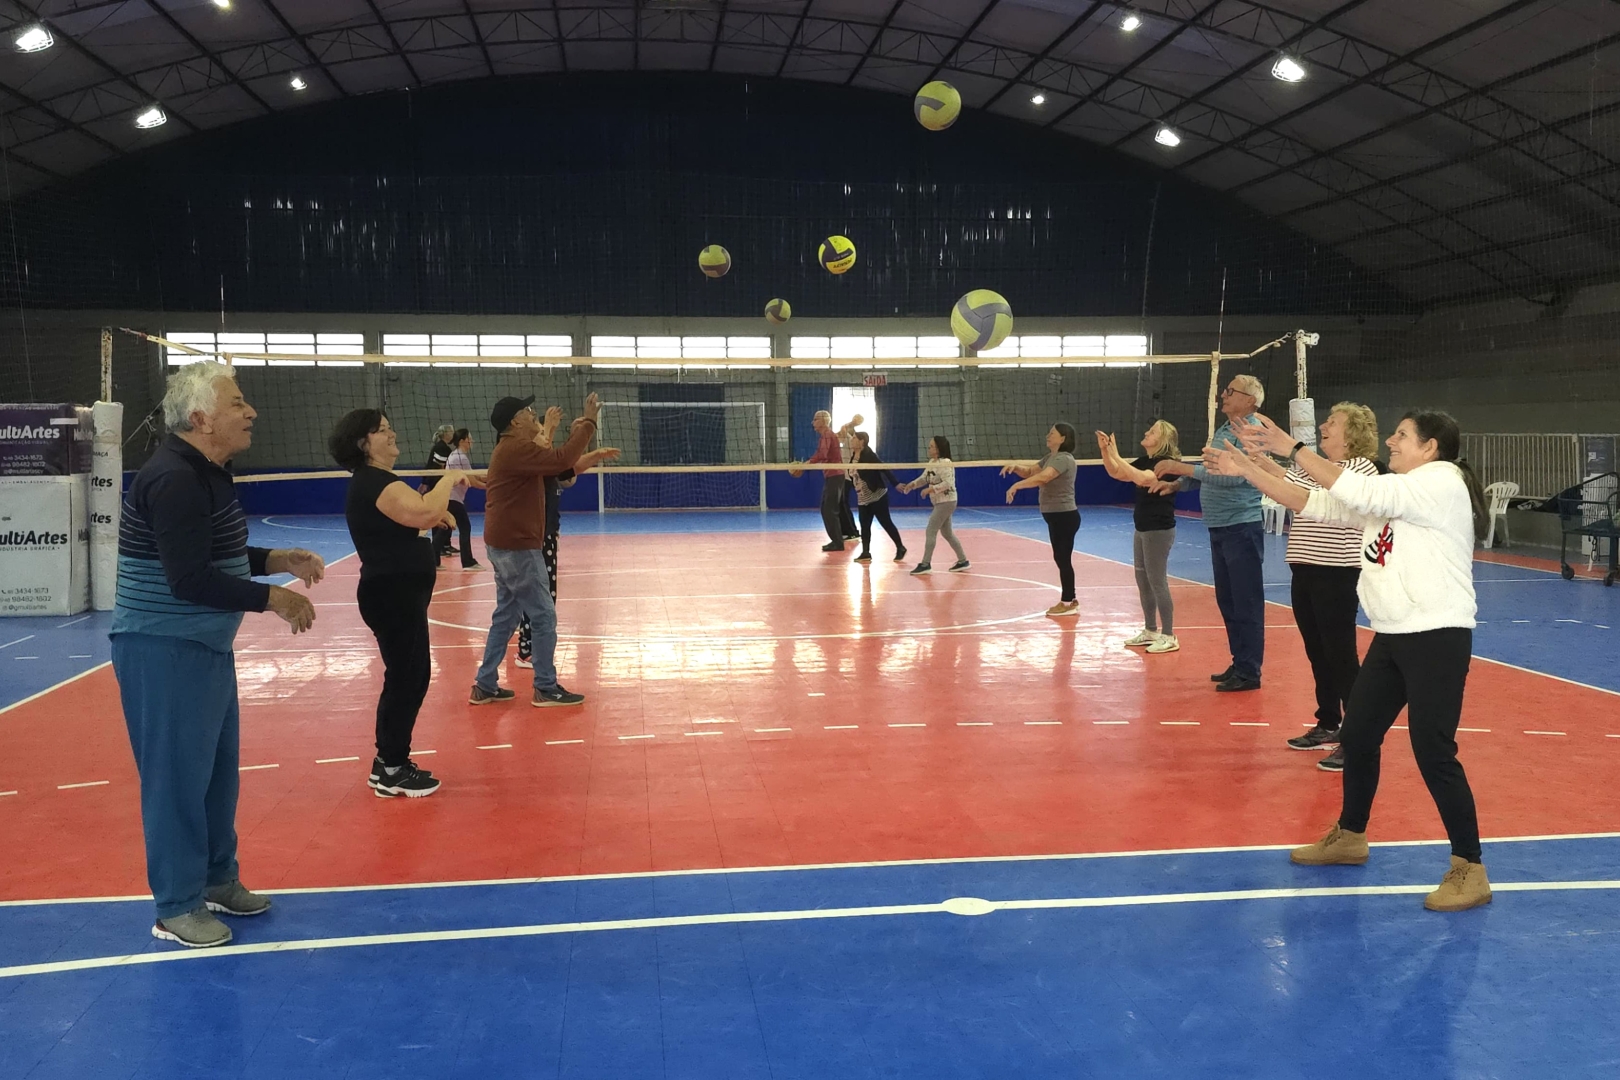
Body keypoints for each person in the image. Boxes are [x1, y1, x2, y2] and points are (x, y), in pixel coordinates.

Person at [1204, 409, 1493, 912]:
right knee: (1357, 736)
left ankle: (1470, 867)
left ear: (1430, 448)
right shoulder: (1399, 493)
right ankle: (1351, 836)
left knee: (1433, 751)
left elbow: (1357, 490)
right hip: (1394, 635)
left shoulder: (1439, 482)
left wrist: (1292, 448)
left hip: (1436, 637)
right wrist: (1250, 470)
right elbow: (1315, 503)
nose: (1391, 441)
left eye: (1402, 435)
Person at [111, 360, 322, 948]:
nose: (250, 411)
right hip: (165, 648)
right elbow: (189, 579)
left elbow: (211, 552)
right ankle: (176, 905)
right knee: (177, 782)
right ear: (201, 418)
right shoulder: (175, 478)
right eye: (237, 403)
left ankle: (216, 879)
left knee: (216, 777)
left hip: (202, 646)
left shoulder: (203, 472)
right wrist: (272, 597)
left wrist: (275, 560)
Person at [330, 408, 464, 798]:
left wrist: (432, 516)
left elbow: (412, 518)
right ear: (363, 442)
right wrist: (448, 478)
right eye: (382, 430)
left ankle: (388, 763)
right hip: (391, 594)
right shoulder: (373, 481)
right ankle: (392, 767)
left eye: (390, 427)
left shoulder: (380, 481)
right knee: (407, 677)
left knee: (410, 675)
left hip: (399, 592)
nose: (392, 434)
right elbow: (424, 510)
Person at [1255, 403, 1382, 771]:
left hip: (1337, 573)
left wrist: (1280, 455)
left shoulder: (1361, 470)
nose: (1323, 425)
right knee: (1317, 652)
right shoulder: (1315, 468)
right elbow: (1286, 484)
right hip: (1305, 570)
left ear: (1352, 434)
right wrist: (1251, 460)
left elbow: (1323, 497)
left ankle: (1356, 738)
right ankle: (1328, 721)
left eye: (1333, 422)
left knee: (1341, 656)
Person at [471, 394, 615, 707]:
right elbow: (561, 459)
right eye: (526, 410)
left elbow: (562, 466)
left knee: (506, 616)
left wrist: (576, 436)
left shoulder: (516, 449)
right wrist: (589, 424)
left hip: (504, 542)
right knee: (543, 615)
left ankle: (485, 684)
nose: (532, 412)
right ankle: (546, 687)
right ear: (514, 422)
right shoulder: (515, 448)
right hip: (516, 546)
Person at [1155, 374, 1267, 692]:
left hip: (1241, 526)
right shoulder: (1225, 429)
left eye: (1231, 391)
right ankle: (1240, 662)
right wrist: (1179, 484)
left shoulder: (1253, 432)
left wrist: (1181, 468)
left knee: (1245, 602)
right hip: (1220, 526)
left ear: (1250, 400)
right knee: (1228, 600)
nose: (1223, 395)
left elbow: (1233, 476)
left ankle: (1249, 671)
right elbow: (1209, 469)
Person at [515, 408, 618, 670]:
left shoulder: (544, 461)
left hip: (546, 533)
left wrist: (596, 454)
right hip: (533, 535)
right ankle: (527, 650)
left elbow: (568, 468)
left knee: (544, 595)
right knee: (536, 595)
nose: (544, 435)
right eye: (539, 430)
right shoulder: (528, 458)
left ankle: (532, 648)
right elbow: (554, 459)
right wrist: (553, 427)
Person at [1097, 421, 1182, 653]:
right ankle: (1150, 630)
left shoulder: (1166, 464)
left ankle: (1169, 635)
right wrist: (1106, 452)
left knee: (1157, 581)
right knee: (1142, 580)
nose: (1146, 432)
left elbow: (1144, 479)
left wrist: (1116, 454)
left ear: (1163, 439)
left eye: (1152, 431)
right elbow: (1117, 472)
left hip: (1159, 529)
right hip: (1142, 527)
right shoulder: (1145, 460)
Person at [1003, 423, 1081, 617]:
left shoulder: (1064, 459)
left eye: (1052, 433)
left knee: (1063, 558)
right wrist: (1015, 467)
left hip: (1065, 516)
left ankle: (1068, 602)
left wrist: (1017, 486)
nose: (1048, 435)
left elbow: (1044, 477)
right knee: (1060, 557)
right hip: (1055, 516)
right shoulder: (1050, 457)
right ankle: (1070, 600)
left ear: (1063, 438)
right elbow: (1031, 472)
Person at [898, 435, 969, 575]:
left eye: (931, 446)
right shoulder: (932, 462)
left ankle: (926, 564)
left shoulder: (946, 463)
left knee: (931, 530)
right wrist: (913, 484)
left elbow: (948, 483)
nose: (929, 449)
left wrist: (930, 489)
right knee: (947, 533)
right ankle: (963, 560)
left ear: (938, 449)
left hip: (947, 501)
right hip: (941, 502)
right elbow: (924, 478)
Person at [788, 409, 849, 552]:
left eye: (815, 419)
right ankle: (837, 541)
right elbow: (821, 454)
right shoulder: (825, 436)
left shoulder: (827, 435)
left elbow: (822, 454)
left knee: (829, 510)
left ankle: (838, 542)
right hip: (832, 476)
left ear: (823, 421)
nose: (812, 422)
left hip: (835, 475)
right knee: (826, 509)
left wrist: (806, 464)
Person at [849, 431, 906, 564]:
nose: (851, 440)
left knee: (886, 523)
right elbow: (854, 475)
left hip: (877, 496)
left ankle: (900, 547)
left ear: (862, 441)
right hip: (863, 498)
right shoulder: (853, 456)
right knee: (864, 526)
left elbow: (883, 468)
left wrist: (895, 483)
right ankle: (866, 552)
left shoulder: (869, 454)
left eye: (854, 438)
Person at [444, 428, 486, 571]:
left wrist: (491, 477)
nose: (471, 441)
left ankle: (434, 559)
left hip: (451, 497)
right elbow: (472, 481)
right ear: (462, 441)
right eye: (469, 438)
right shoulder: (460, 457)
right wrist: (491, 487)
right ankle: (468, 562)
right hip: (453, 498)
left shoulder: (456, 455)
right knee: (465, 527)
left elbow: (475, 476)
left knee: (444, 529)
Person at [421, 424, 456, 561]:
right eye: (451, 432)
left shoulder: (444, 447)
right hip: (437, 484)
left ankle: (445, 544)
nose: (453, 434)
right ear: (445, 434)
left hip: (437, 483)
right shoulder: (441, 447)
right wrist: (426, 483)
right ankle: (439, 547)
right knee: (439, 514)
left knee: (445, 513)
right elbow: (437, 467)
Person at [838, 414, 863, 543]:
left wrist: (852, 423)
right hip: (843, 475)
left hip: (848, 477)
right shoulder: (845, 440)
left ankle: (852, 532)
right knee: (840, 503)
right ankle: (845, 531)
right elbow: (840, 432)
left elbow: (843, 429)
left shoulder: (851, 440)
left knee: (843, 503)